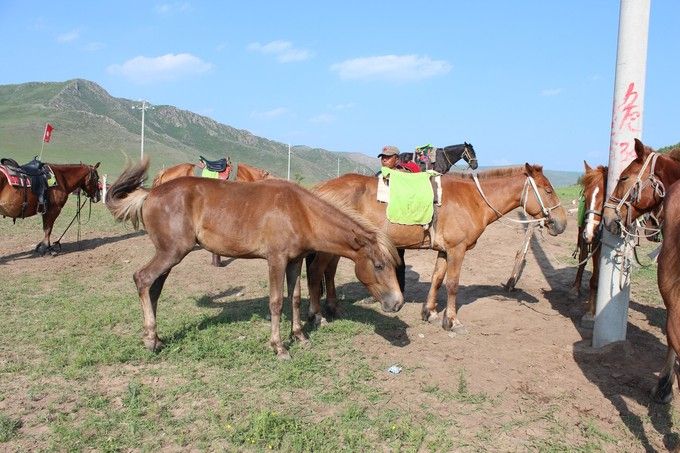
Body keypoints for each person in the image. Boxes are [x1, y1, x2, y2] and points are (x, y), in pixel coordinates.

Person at [377, 145, 416, 293]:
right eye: (383, 157)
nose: (384, 160)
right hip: (381, 224)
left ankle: (400, 291)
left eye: (388, 157)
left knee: (398, 260)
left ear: (397, 159)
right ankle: (380, 291)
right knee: (380, 261)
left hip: (398, 223)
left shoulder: (405, 176)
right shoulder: (378, 175)